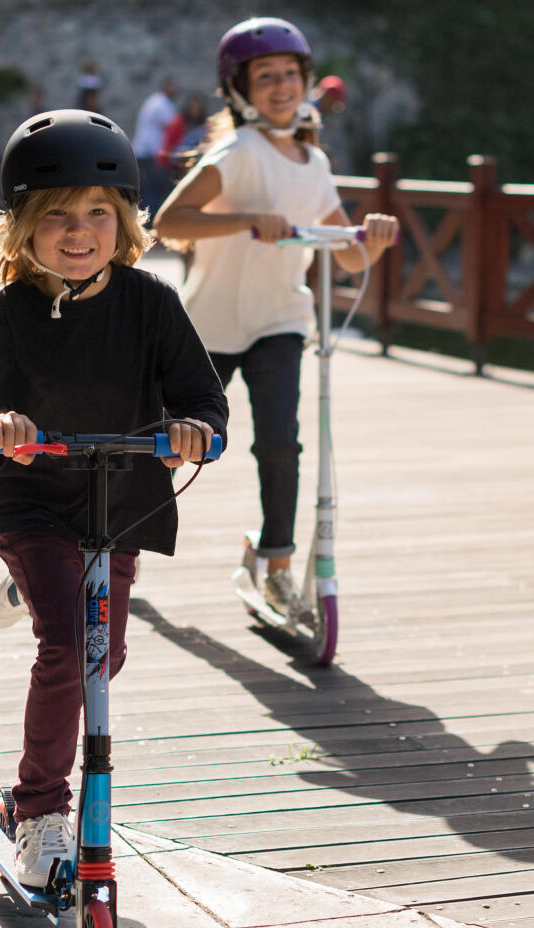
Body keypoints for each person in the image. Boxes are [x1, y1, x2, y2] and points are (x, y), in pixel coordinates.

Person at [0, 108, 226, 887]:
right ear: (22, 226)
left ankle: (36, 596)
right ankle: (38, 810)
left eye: (99, 213)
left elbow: (204, 397)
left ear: (125, 222)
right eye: (56, 214)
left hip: (118, 504)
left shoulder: (151, 304)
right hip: (32, 504)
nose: (79, 230)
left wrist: (197, 428)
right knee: (69, 646)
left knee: (105, 655)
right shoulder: (3, 317)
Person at [154, 17, 397, 617]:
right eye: (266, 77)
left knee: (281, 444)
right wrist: (244, 220)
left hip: (280, 322)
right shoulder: (236, 154)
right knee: (168, 448)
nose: (282, 86)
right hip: (207, 328)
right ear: (240, 89)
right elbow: (169, 223)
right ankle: (99, 539)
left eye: (291, 74)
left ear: (307, 82)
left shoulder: (314, 164)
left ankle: (276, 563)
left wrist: (376, 239)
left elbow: (346, 254)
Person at [132, 74, 179, 215]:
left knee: (145, 192)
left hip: (142, 153)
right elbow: (172, 128)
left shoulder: (153, 101)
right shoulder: (163, 104)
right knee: (152, 193)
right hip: (150, 155)